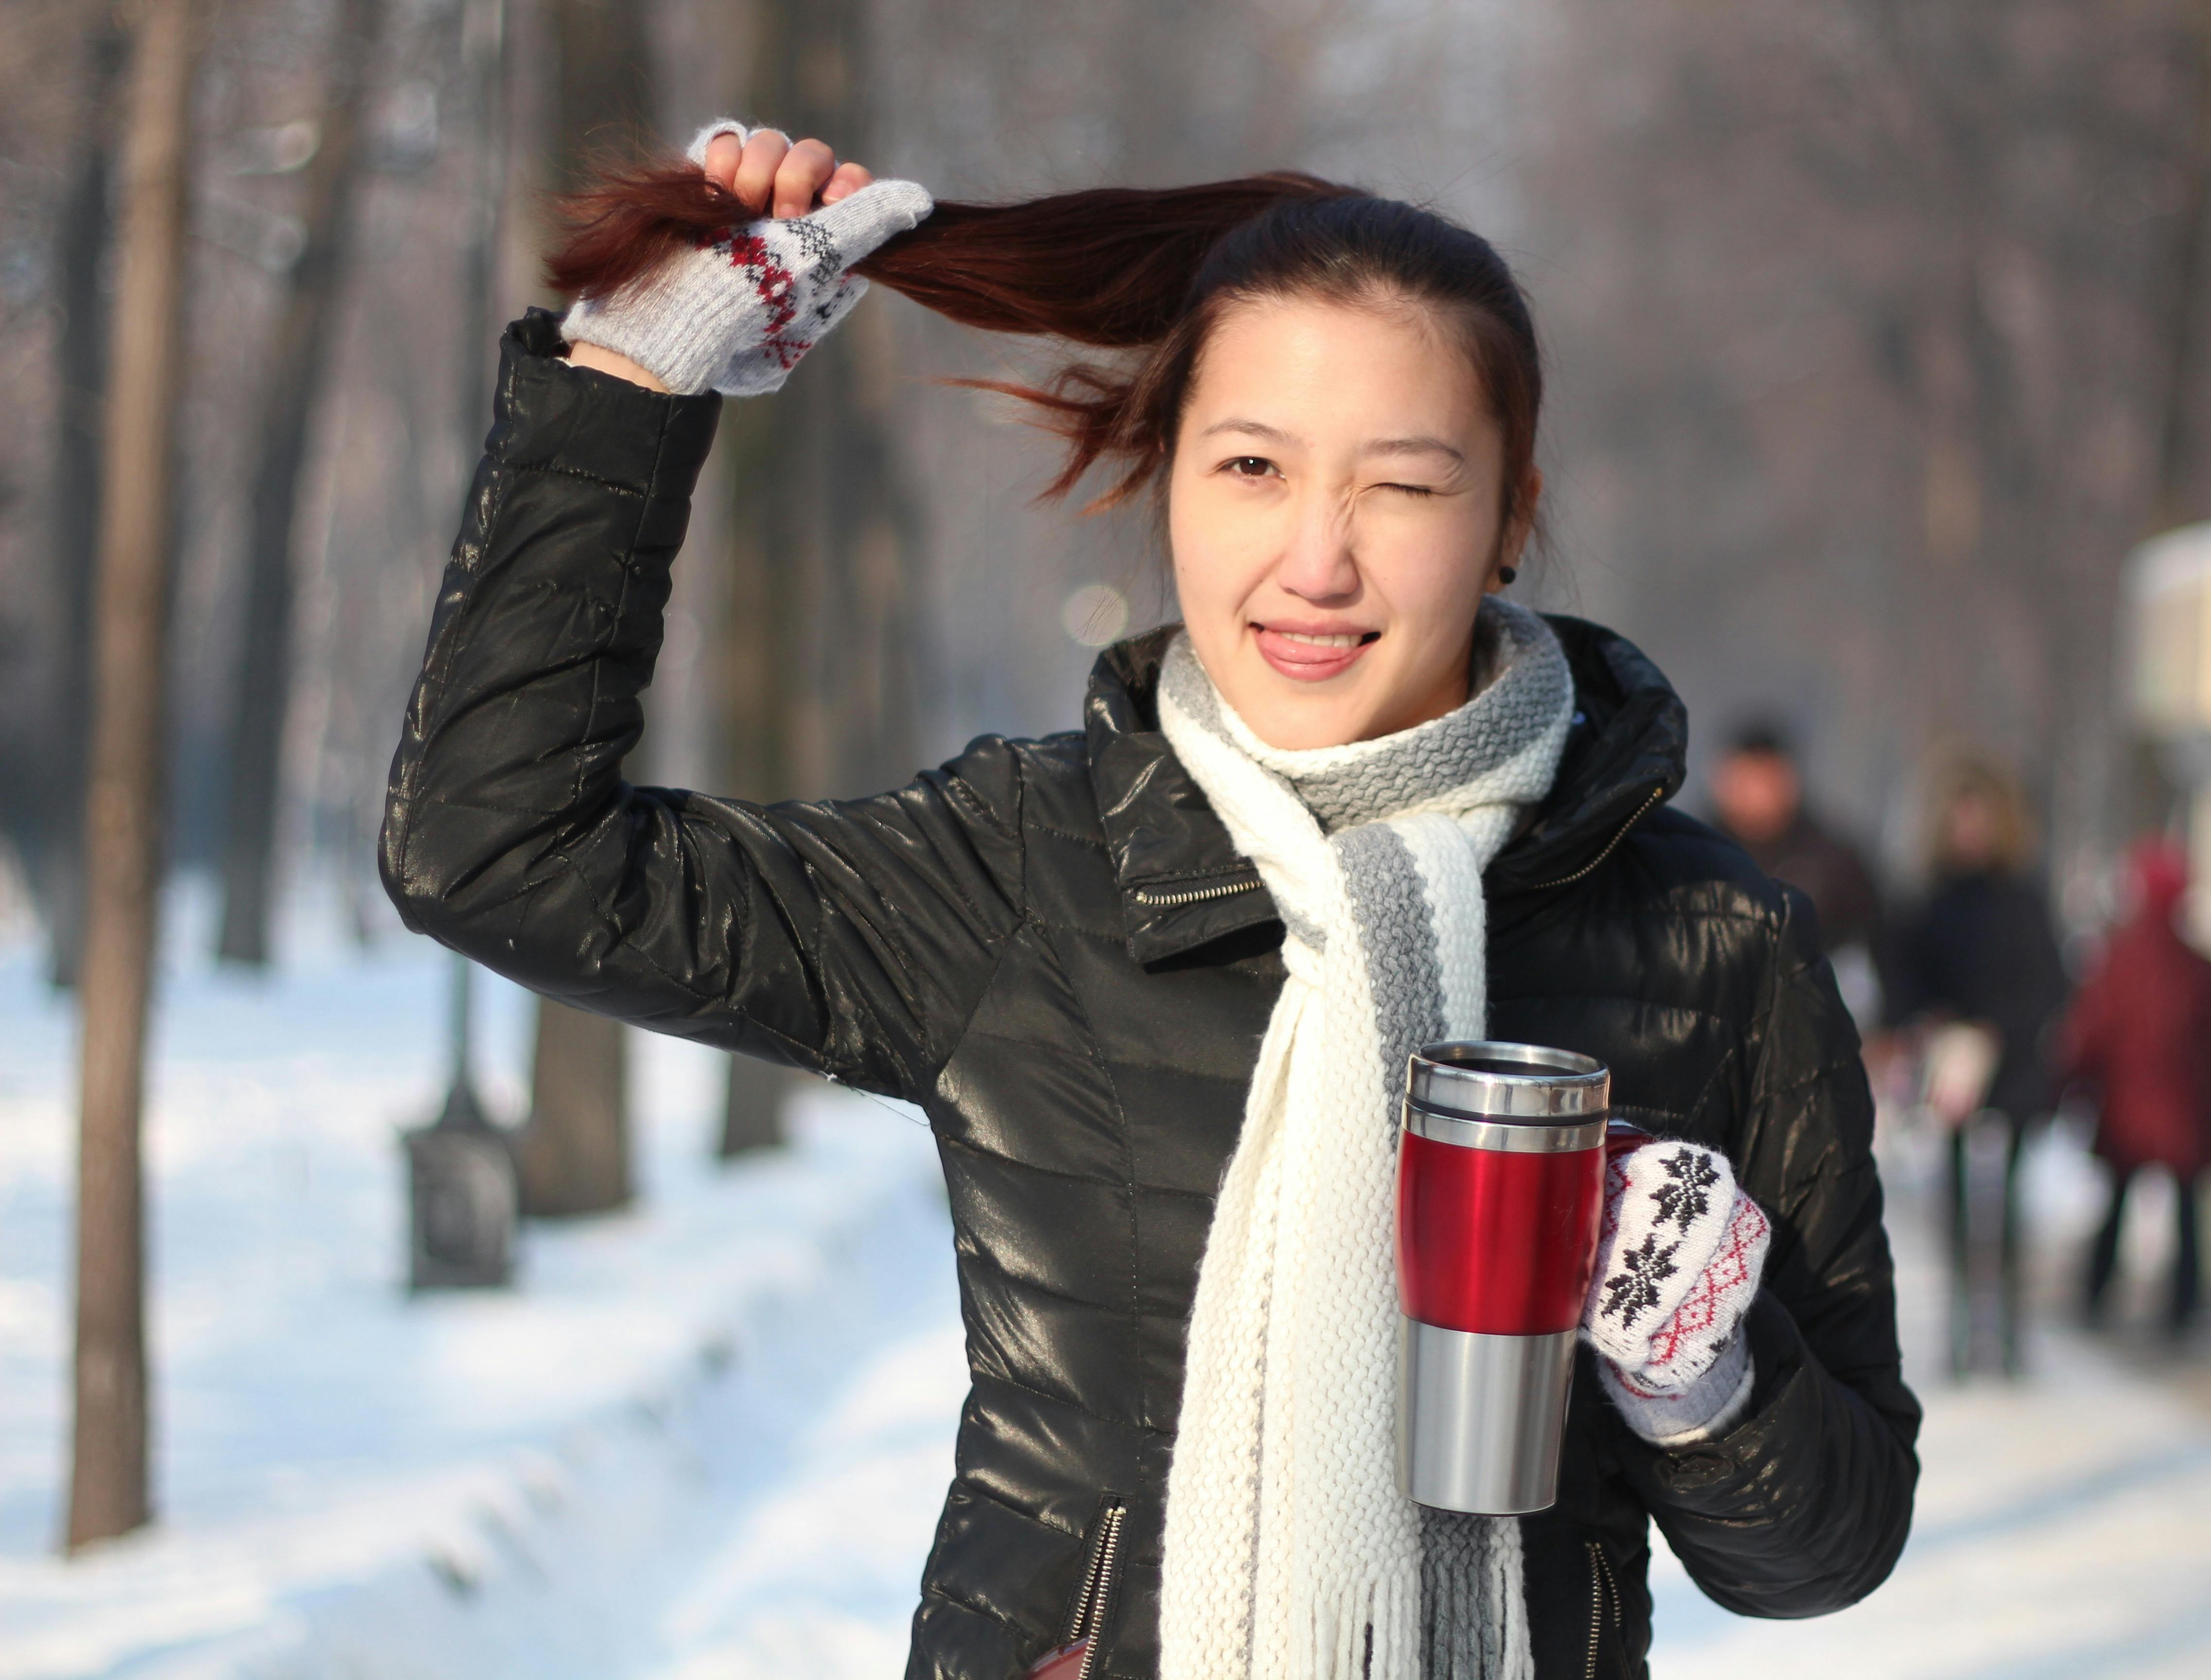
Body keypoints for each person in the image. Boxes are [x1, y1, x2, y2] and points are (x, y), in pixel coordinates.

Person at [381, 121, 1916, 1680]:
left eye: (1402, 485)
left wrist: (1702, 1366)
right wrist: (638, 383)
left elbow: (1830, 1552)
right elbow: (498, 851)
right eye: (1252, 468)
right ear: (1169, 476)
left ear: (1511, 514)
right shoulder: (1023, 870)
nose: (1315, 561)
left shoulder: (1714, 942)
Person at [1888, 753, 2069, 1379]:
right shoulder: (1931, 901)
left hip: (2013, 1072)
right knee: (1956, 1208)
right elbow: (1903, 978)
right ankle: (1962, 1338)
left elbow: (2050, 985)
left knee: (2011, 1211)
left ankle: (2012, 1339)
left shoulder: (2022, 900)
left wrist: (1997, 1030)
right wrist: (1931, 1022)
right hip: (1951, 1075)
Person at [2061, 840, 2211, 1338]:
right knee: (2186, 1214)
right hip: (2183, 1114)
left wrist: (2075, 1084)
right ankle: (2185, 1309)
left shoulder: (2118, 958)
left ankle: (2094, 1296)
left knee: (2115, 1204)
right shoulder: (2200, 968)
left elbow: (2091, 1031)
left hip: (2127, 1110)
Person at [1709, 722, 1886, 1028]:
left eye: (1768, 778)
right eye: (1748, 778)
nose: (1758, 792)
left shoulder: (1833, 859)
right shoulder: (1696, 856)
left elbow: (1879, 941)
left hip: (1817, 1017)